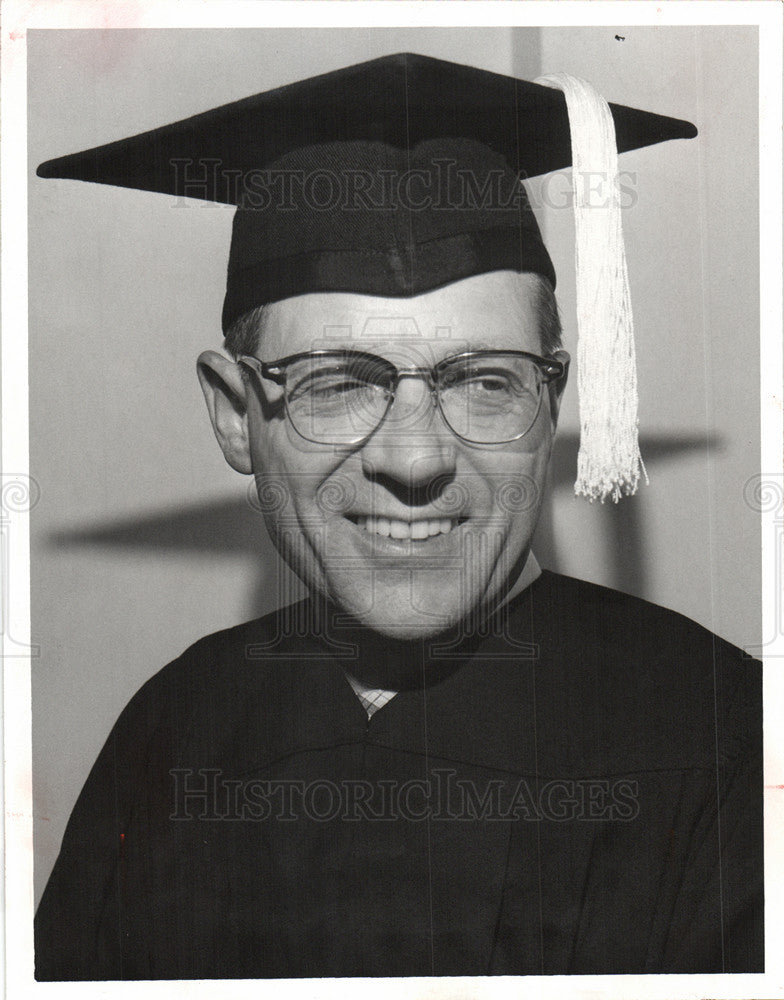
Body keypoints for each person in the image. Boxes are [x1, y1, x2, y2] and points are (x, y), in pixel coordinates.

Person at [33, 52, 763, 979]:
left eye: (485, 381)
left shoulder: (725, 743)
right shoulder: (175, 729)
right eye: (336, 384)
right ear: (232, 413)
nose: (415, 459)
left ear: (553, 404)